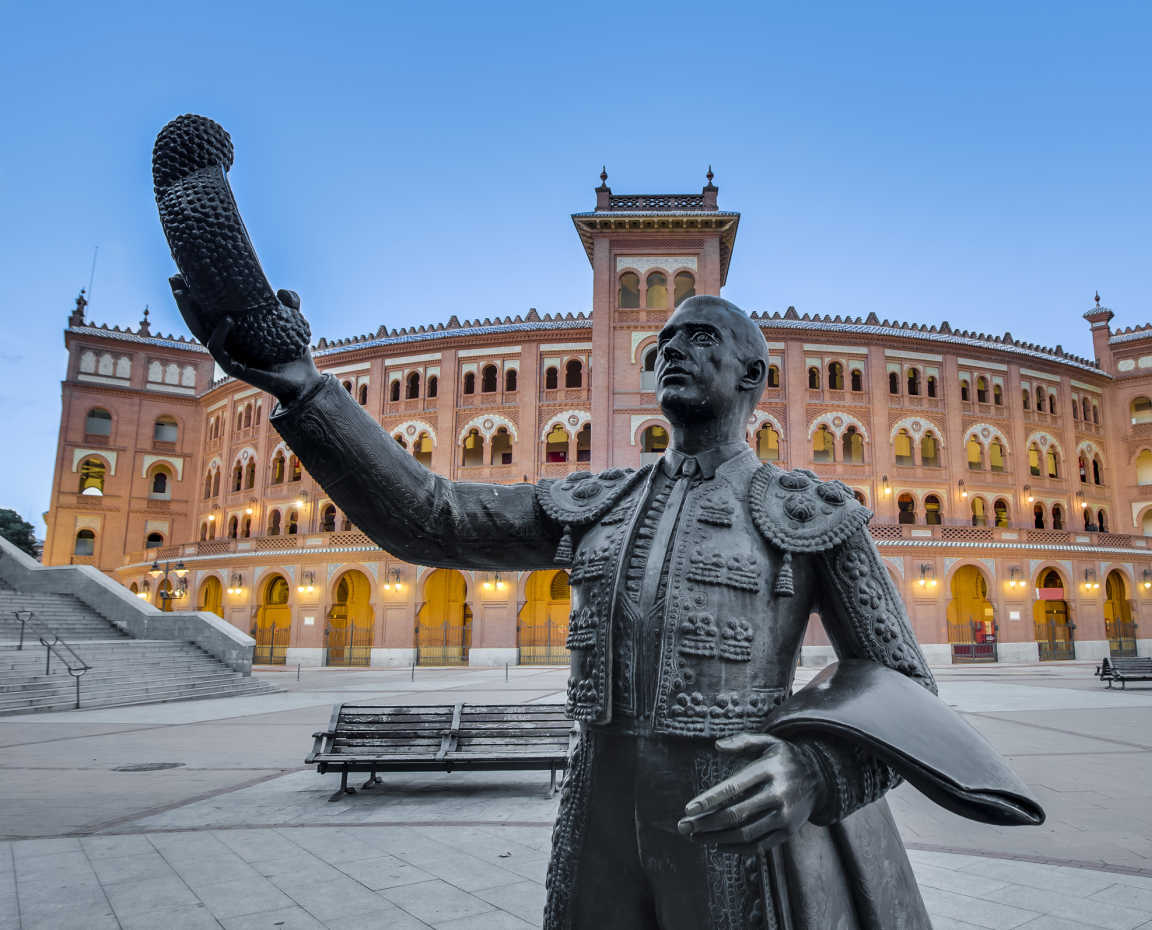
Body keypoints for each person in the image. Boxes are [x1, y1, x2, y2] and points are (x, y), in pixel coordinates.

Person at [173, 279, 1035, 929]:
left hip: (735, 808)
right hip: (601, 811)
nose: (672, 351)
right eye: (664, 342)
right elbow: (431, 517)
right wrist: (306, 392)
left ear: (753, 374)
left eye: (699, 337)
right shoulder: (598, 503)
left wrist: (815, 772)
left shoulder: (808, 510)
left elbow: (900, 679)